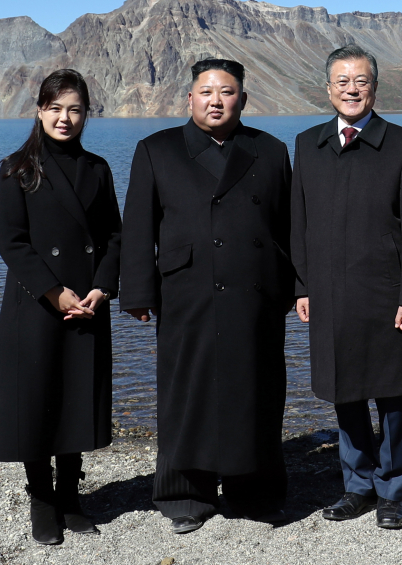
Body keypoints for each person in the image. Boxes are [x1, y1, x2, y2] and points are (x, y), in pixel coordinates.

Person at [119, 58, 295, 534]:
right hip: (186, 290)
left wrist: (299, 287)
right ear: (189, 98)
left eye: (227, 92)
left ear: (243, 98)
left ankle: (254, 491)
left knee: (255, 388)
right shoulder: (157, 149)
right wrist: (136, 290)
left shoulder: (271, 150)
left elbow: (290, 228)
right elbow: (138, 227)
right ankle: (184, 493)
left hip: (256, 292)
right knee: (186, 388)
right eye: (206, 92)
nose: (216, 100)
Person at [290, 44, 402, 530]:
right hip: (328, 293)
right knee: (344, 391)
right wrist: (302, 285)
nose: (352, 90)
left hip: (386, 292)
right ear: (328, 89)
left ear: (375, 86)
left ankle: (393, 489)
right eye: (342, 82)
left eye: (361, 81)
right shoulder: (307, 143)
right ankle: (357, 486)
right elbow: (299, 222)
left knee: (393, 394)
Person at [0, 68, 122, 545]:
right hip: (37, 304)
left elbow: (112, 236)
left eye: (75, 109)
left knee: (75, 398)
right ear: (39, 110)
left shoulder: (98, 169)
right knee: (36, 399)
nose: (65, 118)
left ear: (86, 114)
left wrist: (102, 288)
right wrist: (53, 292)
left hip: (86, 301)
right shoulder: (17, 168)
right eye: (56, 108)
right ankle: (41, 499)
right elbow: (12, 243)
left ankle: (71, 496)